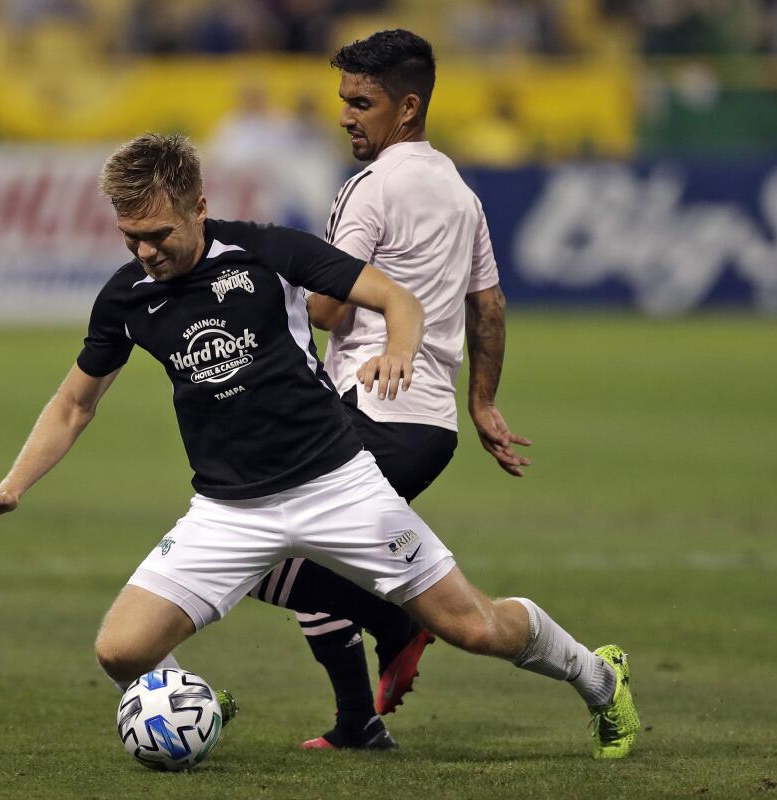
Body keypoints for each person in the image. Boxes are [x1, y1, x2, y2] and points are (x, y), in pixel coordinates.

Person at [0, 132, 640, 761]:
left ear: (198, 207)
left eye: (156, 234)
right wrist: (12, 485)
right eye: (129, 238)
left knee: (476, 628)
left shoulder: (266, 251)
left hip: (337, 486)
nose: (144, 252)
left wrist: (399, 350)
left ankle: (599, 676)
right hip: (226, 511)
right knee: (120, 650)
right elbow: (75, 403)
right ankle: (200, 708)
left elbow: (398, 298)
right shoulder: (128, 297)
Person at [256, 28, 539, 751]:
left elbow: (329, 308)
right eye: (344, 100)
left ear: (406, 109)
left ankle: (399, 623)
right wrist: (480, 401)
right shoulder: (459, 191)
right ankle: (357, 723)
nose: (347, 115)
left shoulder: (371, 189)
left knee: (258, 552)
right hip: (431, 427)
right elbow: (491, 305)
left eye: (362, 102)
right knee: (296, 548)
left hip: (375, 410)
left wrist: (273, 292)